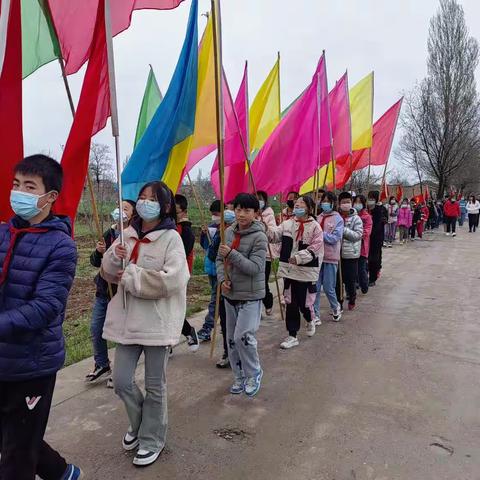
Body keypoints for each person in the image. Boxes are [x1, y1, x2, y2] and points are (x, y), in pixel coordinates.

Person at [0, 155, 81, 479]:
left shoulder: (61, 246)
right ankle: (62, 473)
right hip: (3, 357)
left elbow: (46, 306)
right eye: (16, 184)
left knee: (16, 457)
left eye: (29, 187)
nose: (19, 192)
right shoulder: (3, 233)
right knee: (15, 434)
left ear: (50, 197)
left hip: (32, 364)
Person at [101, 181, 189, 467]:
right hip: (128, 321)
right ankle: (140, 424)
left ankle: (152, 439)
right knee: (122, 381)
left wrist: (133, 275)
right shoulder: (126, 234)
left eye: (152, 199)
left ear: (164, 206)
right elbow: (107, 271)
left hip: (157, 323)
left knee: (155, 385)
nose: (144, 203)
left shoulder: (171, 239)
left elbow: (173, 279)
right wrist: (115, 258)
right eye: (142, 198)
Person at [216, 193, 268, 397]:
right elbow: (220, 260)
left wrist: (231, 254)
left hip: (251, 296)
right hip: (231, 294)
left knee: (243, 337)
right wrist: (222, 280)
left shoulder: (259, 237)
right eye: (238, 209)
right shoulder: (228, 232)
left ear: (256, 213)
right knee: (231, 339)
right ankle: (239, 375)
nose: (241, 214)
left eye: (247, 210)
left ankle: (254, 372)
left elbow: (255, 267)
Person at [86, 200, 136, 387]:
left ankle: (121, 372)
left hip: (121, 292)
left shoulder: (133, 236)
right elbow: (95, 262)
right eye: (119, 207)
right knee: (96, 328)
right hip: (103, 290)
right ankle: (102, 364)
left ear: (133, 214)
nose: (121, 211)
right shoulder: (108, 233)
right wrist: (99, 253)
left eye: (126, 208)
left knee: (120, 333)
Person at [267, 196, 323, 349]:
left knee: (305, 302)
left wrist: (299, 258)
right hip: (289, 270)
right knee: (290, 301)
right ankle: (292, 334)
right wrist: (265, 229)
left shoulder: (315, 227)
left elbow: (315, 247)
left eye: (301, 204)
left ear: (309, 208)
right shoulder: (287, 224)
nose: (297, 207)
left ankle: (310, 318)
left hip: (306, 271)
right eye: (296, 204)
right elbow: (274, 237)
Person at [175, 194, 200, 352]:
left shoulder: (187, 232)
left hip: (179, 275)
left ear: (183, 212)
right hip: (164, 274)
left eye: (175, 211)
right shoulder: (169, 227)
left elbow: (180, 254)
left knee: (174, 309)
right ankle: (166, 344)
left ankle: (188, 331)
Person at [314, 191, 344, 323]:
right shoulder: (318, 217)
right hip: (317, 256)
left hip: (331, 257)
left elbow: (335, 238)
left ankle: (335, 306)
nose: (324, 203)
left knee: (328, 287)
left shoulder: (338, 219)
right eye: (322, 200)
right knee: (315, 287)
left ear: (333, 203)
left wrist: (321, 234)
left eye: (327, 201)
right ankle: (315, 315)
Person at [197, 200, 223, 341]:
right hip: (211, 269)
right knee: (216, 299)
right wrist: (203, 234)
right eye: (212, 214)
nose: (214, 217)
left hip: (221, 270)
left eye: (216, 214)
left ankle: (207, 327)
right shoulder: (212, 227)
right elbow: (206, 246)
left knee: (215, 299)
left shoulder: (227, 229)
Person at [336, 192, 363, 311]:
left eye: (347, 202)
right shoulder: (336, 217)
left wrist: (343, 230)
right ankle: (338, 303)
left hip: (351, 254)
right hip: (336, 254)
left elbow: (357, 235)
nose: (345, 204)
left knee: (349, 280)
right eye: (343, 202)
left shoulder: (356, 219)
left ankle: (352, 297)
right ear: (339, 204)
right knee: (337, 281)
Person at [257, 190, 277, 315]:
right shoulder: (251, 213)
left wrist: (263, 224)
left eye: (260, 199)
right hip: (253, 253)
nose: (258, 201)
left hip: (266, 253)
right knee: (255, 282)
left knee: (263, 282)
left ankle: (268, 301)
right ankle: (256, 308)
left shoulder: (269, 214)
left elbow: (273, 232)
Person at [367, 191, 388, 286]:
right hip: (366, 238)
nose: (370, 201)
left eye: (372, 199)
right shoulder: (366, 209)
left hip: (376, 238)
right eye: (369, 198)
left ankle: (372, 278)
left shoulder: (380, 210)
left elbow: (378, 225)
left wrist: (369, 232)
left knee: (374, 258)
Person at [354, 195, 372, 294]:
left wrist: (356, 235)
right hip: (350, 246)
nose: (357, 204)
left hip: (362, 246)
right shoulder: (350, 215)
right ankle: (353, 287)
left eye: (359, 202)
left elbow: (367, 231)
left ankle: (364, 284)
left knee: (361, 268)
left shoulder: (367, 217)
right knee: (352, 269)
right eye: (355, 202)